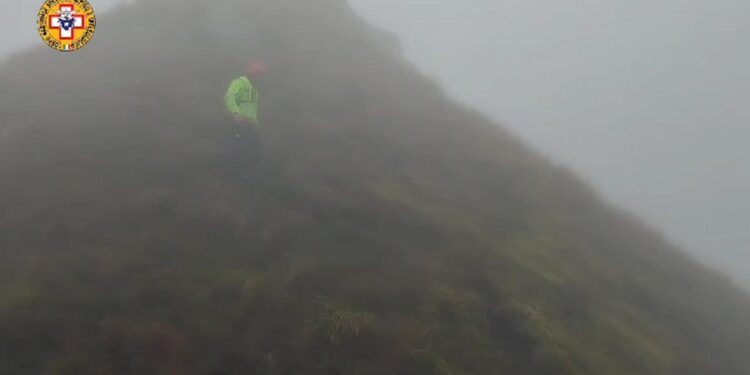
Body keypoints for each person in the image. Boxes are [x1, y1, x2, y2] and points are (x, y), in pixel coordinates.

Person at [224, 60, 267, 181]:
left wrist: (255, 124)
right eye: (258, 73)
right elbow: (229, 96)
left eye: (261, 74)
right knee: (239, 149)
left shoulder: (255, 89)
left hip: (250, 124)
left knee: (255, 150)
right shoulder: (240, 82)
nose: (260, 77)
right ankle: (237, 176)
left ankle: (247, 175)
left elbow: (252, 109)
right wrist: (236, 114)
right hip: (239, 123)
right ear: (252, 72)